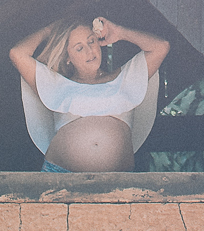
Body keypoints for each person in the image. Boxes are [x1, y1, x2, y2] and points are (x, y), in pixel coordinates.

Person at [10, 12, 170, 172]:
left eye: (91, 41)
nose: (90, 51)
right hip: (60, 176)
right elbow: (17, 54)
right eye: (79, 48)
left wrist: (120, 32)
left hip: (118, 180)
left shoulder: (126, 77)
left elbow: (161, 47)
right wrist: (50, 30)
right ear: (68, 57)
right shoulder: (55, 83)